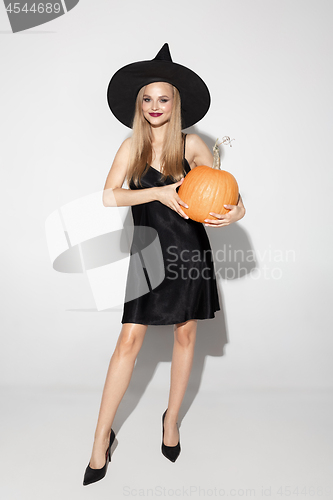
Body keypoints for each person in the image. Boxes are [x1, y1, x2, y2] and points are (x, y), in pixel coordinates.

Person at [83, 43, 245, 486]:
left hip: (189, 252)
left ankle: (171, 420)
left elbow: (220, 188)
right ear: (140, 105)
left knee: (186, 333)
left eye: (163, 98)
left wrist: (237, 213)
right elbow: (108, 195)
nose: (155, 107)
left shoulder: (193, 144)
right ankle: (101, 439)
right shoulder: (130, 146)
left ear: (176, 102)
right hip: (147, 254)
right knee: (128, 343)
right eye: (147, 99)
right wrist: (156, 192)